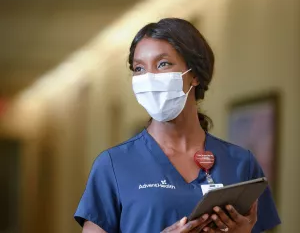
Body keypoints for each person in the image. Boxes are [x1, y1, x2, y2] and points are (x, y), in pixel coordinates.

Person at [74, 18, 281, 233]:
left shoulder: (241, 164)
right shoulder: (114, 165)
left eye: (163, 64)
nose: (149, 78)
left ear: (195, 75)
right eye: (139, 68)